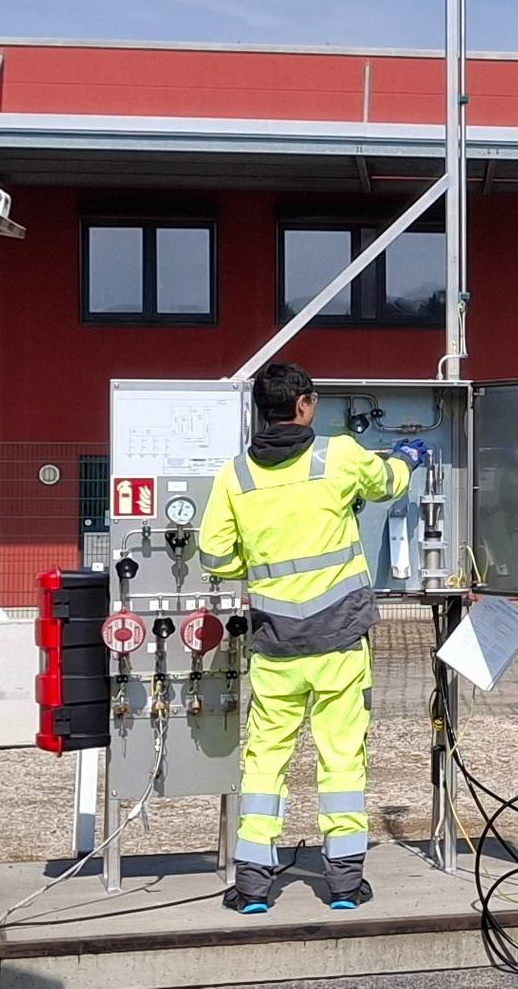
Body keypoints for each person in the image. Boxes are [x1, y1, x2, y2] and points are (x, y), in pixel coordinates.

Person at [199, 362, 421, 914]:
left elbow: (216, 557)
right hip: (339, 640)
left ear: (261, 411)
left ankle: (252, 884)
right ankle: (344, 883)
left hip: (275, 644)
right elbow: (388, 483)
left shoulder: (236, 476)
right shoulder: (339, 455)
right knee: (341, 757)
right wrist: (410, 460)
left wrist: (259, 560)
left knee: (264, 759)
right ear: (304, 405)